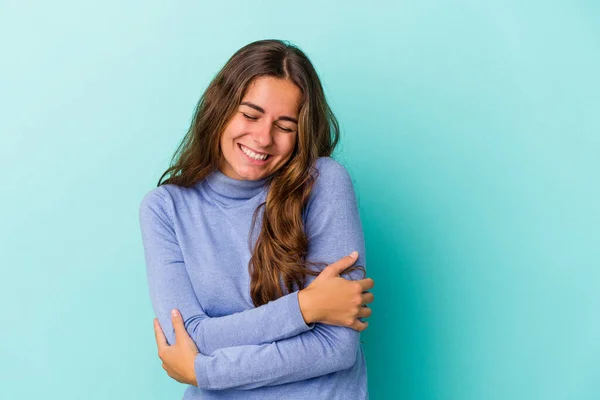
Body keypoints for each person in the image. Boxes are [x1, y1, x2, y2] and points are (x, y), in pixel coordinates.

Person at [138, 39, 375, 399]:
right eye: (250, 115)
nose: (263, 138)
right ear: (220, 108)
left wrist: (205, 371)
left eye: (285, 126)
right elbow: (188, 338)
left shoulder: (324, 184)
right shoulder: (165, 208)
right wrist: (305, 307)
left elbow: (335, 348)